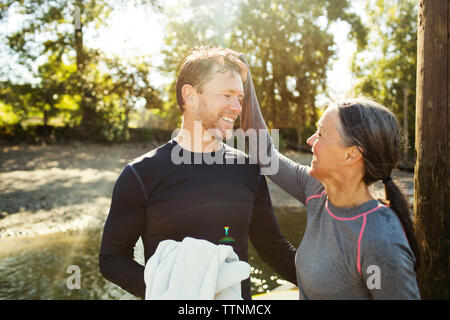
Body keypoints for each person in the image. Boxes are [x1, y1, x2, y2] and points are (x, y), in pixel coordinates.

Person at [98, 46, 297, 300]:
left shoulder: (248, 170)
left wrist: (332, 284)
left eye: (240, 97)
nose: (237, 107)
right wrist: (171, 292)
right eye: (226, 95)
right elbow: (112, 258)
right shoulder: (140, 174)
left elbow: (274, 249)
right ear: (190, 96)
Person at [239, 57, 422, 299]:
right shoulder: (317, 189)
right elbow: (264, 153)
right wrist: (244, 79)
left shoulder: (380, 240)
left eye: (321, 134)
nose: (310, 141)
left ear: (351, 155)